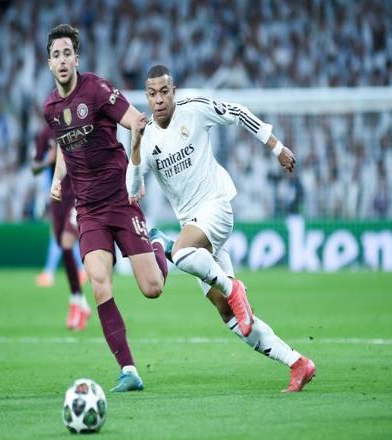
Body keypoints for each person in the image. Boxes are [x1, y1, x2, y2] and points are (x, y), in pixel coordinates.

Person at [126, 65, 315, 393]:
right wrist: (135, 144)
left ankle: (223, 281)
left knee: (181, 252)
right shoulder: (147, 136)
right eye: (152, 94)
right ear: (147, 96)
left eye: (164, 92)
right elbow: (133, 189)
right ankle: (297, 363)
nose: (159, 99)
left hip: (216, 206)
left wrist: (277, 147)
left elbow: (238, 112)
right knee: (231, 317)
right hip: (194, 226)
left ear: (174, 92)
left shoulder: (195, 109)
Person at [43, 24, 168, 392]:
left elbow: (136, 122)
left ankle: (158, 244)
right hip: (88, 210)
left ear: (76, 59)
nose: (62, 60)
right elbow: (64, 146)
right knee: (99, 284)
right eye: (56, 55)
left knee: (152, 288)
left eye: (67, 53)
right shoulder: (50, 107)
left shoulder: (96, 89)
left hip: (120, 200)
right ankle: (128, 369)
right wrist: (57, 179)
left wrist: (136, 171)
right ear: (49, 63)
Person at [32, 125, 90, 331]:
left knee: (66, 242)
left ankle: (75, 301)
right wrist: (47, 160)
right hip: (58, 198)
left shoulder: (79, 125)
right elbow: (34, 167)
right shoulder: (44, 134)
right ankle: (80, 300)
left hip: (79, 195)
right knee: (62, 244)